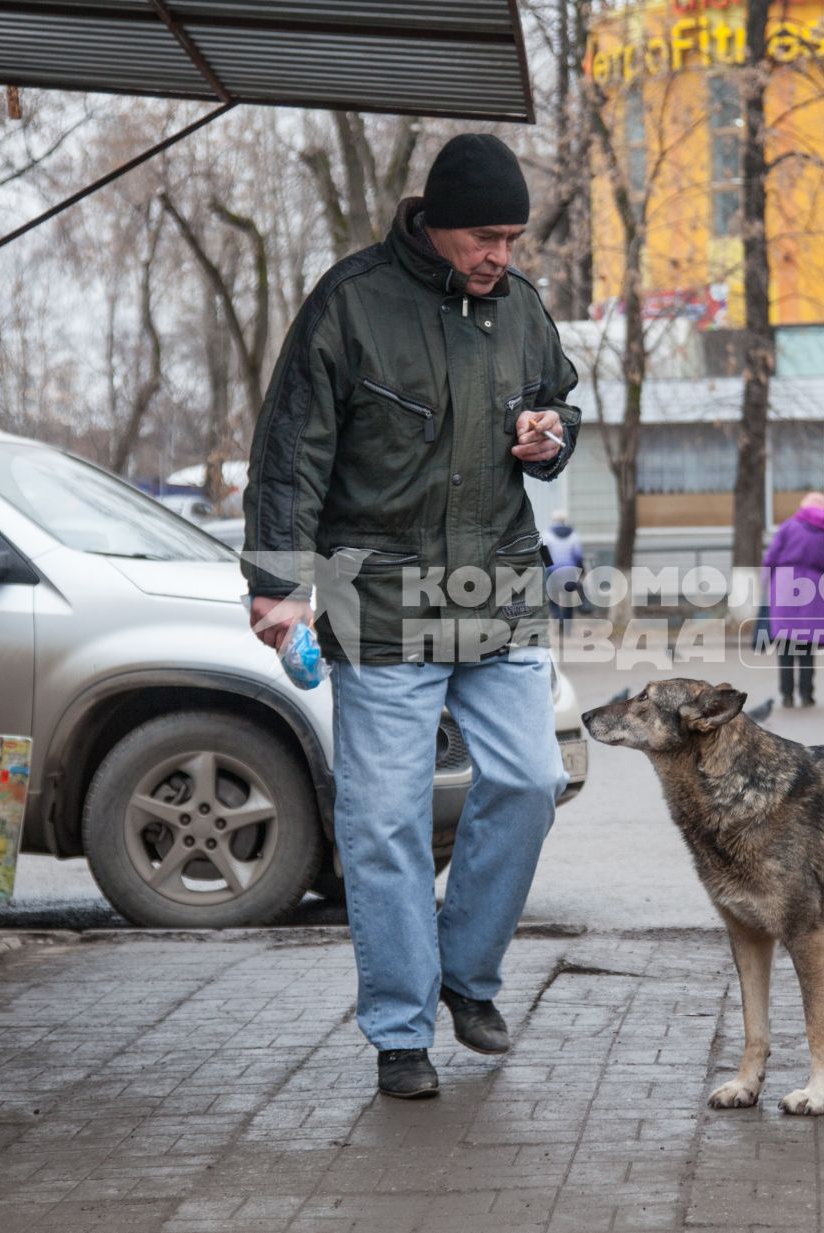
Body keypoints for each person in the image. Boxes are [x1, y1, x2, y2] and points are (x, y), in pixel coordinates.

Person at [242, 134, 580, 1101]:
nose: (500, 255)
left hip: (497, 589)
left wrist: (549, 437)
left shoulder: (520, 309)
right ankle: (401, 1028)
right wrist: (278, 582)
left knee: (530, 778)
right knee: (383, 818)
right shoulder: (351, 303)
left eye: (512, 237)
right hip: (378, 595)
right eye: (485, 235)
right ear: (434, 221)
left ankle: (466, 979)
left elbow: (558, 404)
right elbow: (289, 453)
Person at [761, 491, 824, 707]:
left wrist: (765, 584)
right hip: (814, 585)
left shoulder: (789, 526)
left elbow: (770, 557)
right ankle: (807, 694)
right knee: (808, 644)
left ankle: (787, 695)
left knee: (786, 644)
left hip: (784, 583)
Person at [541, 510, 585, 634]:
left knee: (551, 597)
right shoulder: (574, 535)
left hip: (553, 570)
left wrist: (549, 567)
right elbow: (578, 555)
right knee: (568, 599)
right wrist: (581, 571)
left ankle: (558, 617)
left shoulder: (547, 534)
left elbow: (543, 553)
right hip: (570, 571)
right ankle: (567, 629)